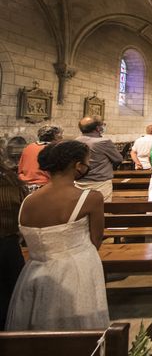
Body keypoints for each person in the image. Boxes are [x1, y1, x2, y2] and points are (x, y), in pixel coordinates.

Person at [6, 141, 109, 330]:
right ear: (78, 166)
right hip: (78, 267)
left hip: (34, 270)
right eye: (88, 161)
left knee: (36, 320)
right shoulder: (90, 198)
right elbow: (96, 240)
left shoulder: (28, 200)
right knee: (78, 321)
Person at [0, 161, 26, 330]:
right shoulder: (10, 179)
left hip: (7, 244)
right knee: (11, 298)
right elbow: (22, 212)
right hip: (8, 244)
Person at [75, 116, 123, 202]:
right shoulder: (103, 142)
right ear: (98, 128)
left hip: (79, 181)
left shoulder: (75, 141)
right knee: (102, 210)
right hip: (99, 183)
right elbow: (118, 159)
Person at [18, 124, 63, 193]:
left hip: (24, 187)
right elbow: (59, 173)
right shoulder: (54, 149)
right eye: (61, 134)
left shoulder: (29, 147)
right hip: (44, 187)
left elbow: (20, 169)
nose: (62, 137)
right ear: (56, 136)